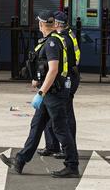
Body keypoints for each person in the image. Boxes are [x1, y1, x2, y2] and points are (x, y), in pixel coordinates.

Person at [0, 12, 79, 178]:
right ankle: (20, 161)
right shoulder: (53, 40)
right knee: (36, 126)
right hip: (50, 92)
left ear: (42, 25)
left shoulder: (51, 43)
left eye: (39, 23)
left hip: (53, 93)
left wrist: (41, 92)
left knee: (61, 129)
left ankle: (72, 166)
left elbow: (53, 69)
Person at [38, 10, 80, 159]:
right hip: (66, 77)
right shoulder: (66, 35)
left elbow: (60, 64)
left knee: (65, 114)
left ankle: (68, 148)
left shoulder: (62, 39)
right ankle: (52, 145)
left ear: (57, 24)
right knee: (52, 112)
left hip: (66, 79)